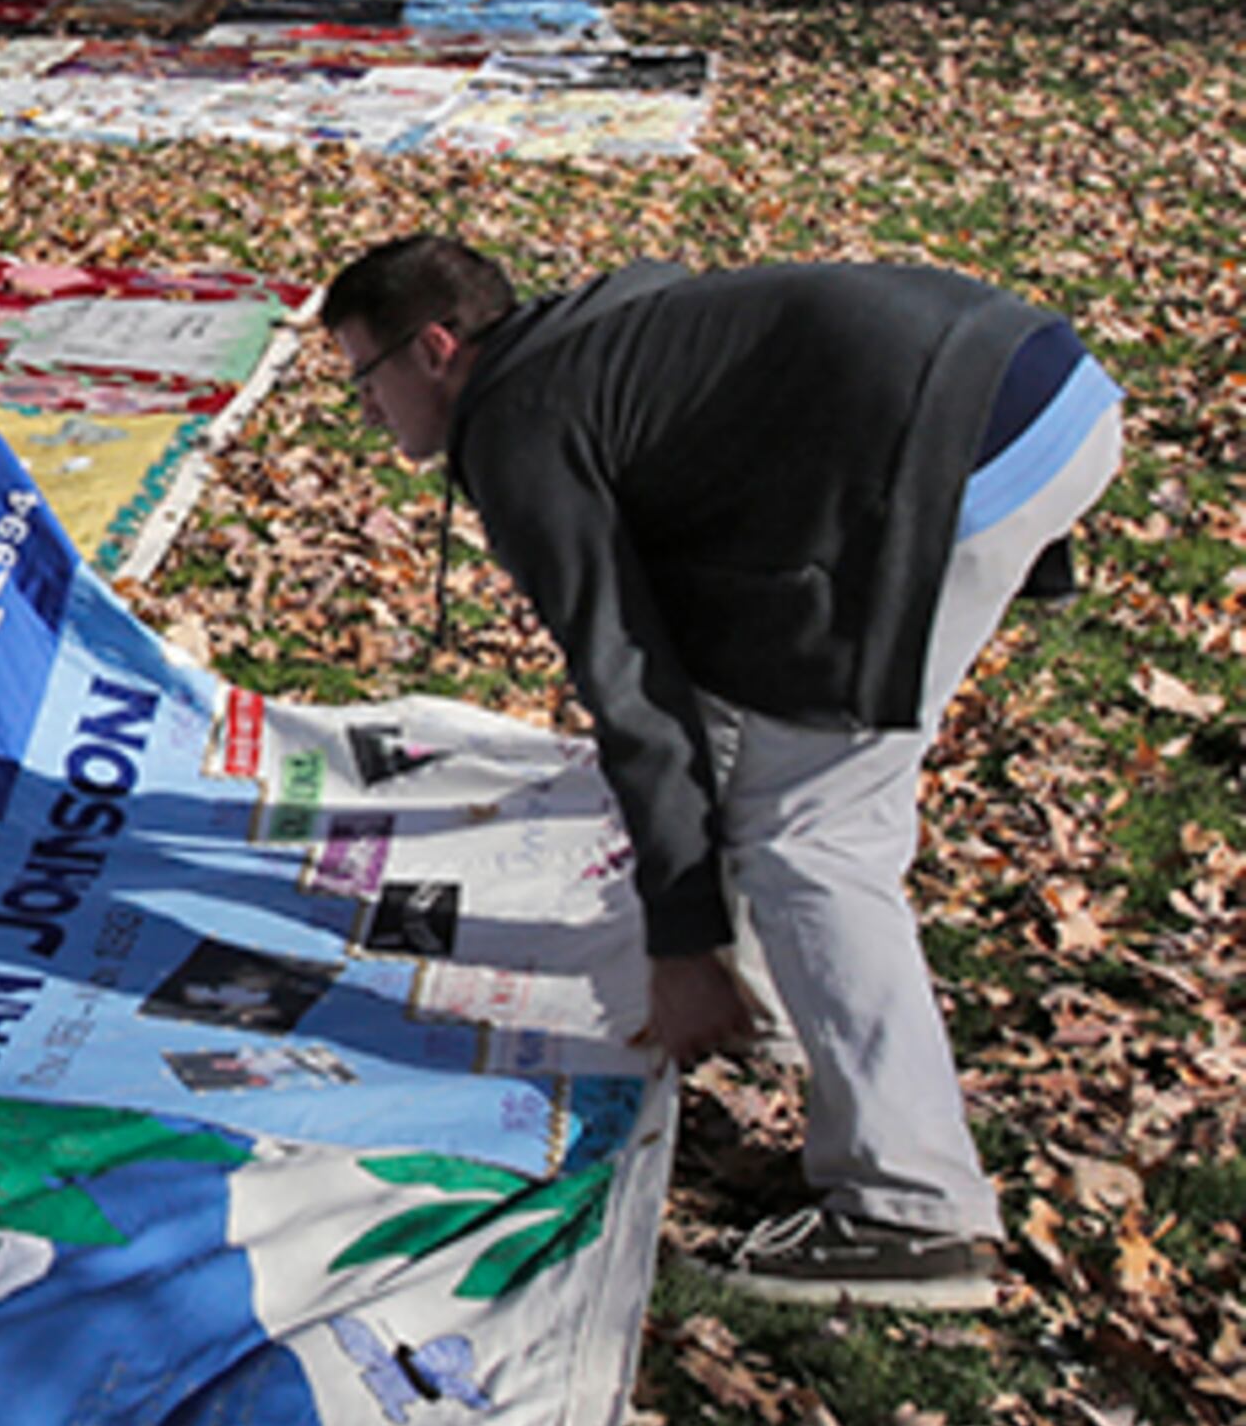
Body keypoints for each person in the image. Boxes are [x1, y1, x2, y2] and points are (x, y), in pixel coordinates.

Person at [318, 235, 1120, 1310]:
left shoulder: (519, 427)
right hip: (1039, 382)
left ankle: (912, 1208)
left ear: (435, 349)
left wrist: (682, 941)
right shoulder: (594, 328)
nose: (365, 417)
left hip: (953, 450)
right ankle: (786, 1020)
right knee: (774, 746)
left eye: (362, 382)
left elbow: (631, 687)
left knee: (815, 834)